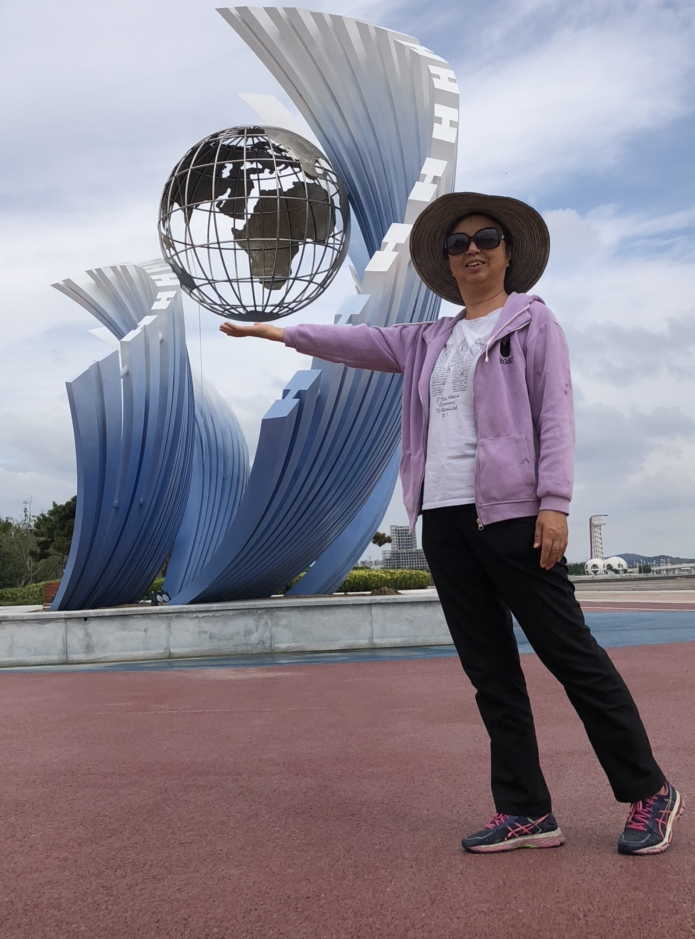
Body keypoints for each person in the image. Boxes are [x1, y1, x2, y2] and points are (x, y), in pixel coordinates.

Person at [220, 190, 684, 856]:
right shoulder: (428, 339)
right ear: (447, 260)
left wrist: (554, 503)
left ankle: (649, 791)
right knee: (490, 671)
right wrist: (280, 332)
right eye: (458, 242)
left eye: (486, 238)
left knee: (571, 656)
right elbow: (357, 342)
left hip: (513, 516)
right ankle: (526, 811)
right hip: (442, 518)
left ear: (508, 252)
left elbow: (556, 414)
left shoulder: (533, 323)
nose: (472, 250)